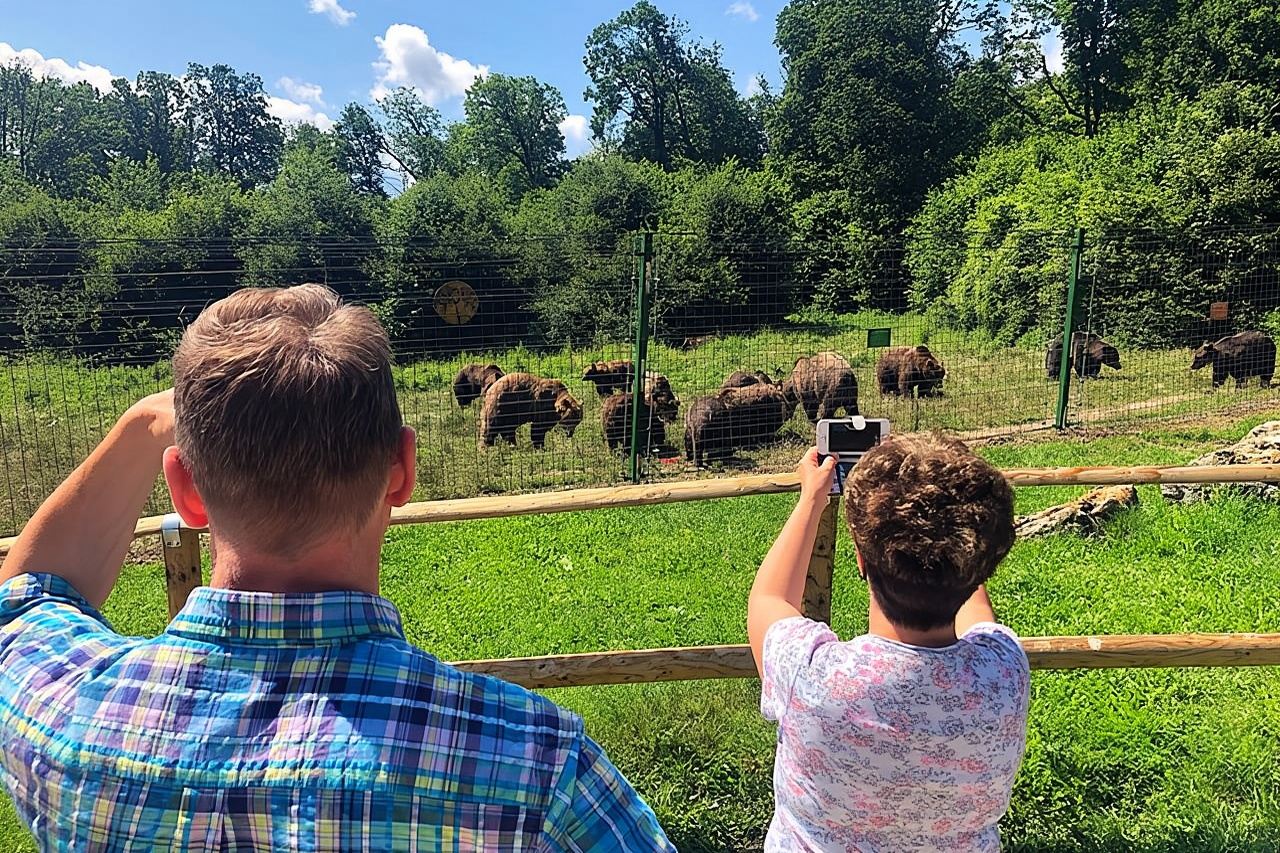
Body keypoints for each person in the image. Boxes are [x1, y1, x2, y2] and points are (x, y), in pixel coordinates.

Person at [0, 284, 673, 851]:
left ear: (184, 490)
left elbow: (23, 601)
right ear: (403, 471)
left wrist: (145, 424)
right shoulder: (539, 768)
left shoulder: (71, 723)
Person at [748, 435, 1030, 852]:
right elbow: (973, 597)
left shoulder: (812, 675)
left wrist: (812, 498)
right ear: (980, 562)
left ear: (861, 560)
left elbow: (769, 600)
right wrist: (956, 528)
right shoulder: (1004, 673)